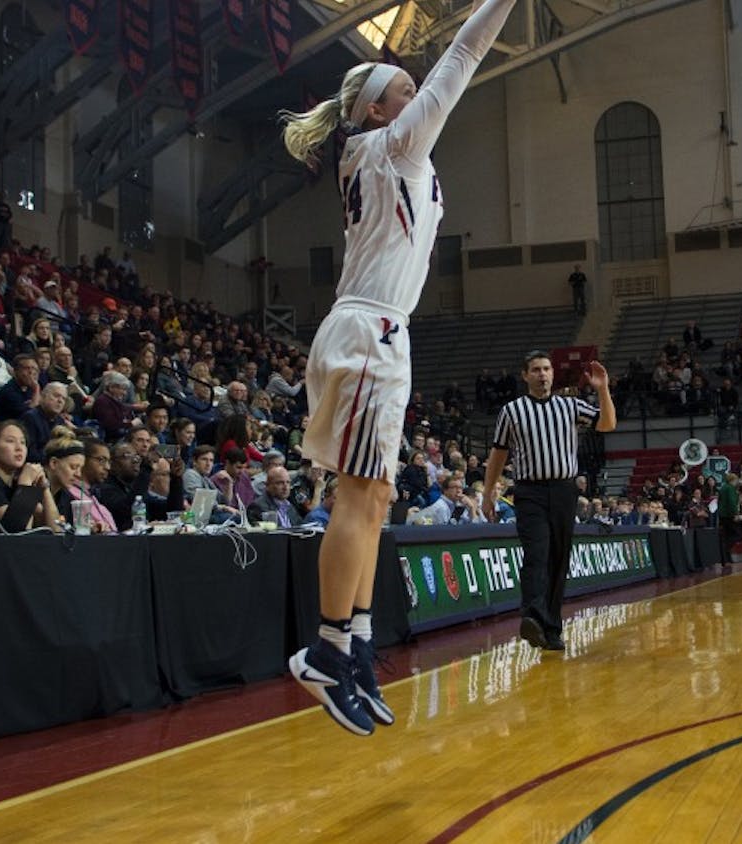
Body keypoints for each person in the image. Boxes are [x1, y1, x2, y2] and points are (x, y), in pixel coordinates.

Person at [278, 0, 517, 736]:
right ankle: (324, 649)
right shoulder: (391, 147)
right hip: (366, 328)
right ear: (379, 109)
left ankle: (353, 642)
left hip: (381, 330)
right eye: (406, 91)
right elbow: (465, 56)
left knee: (376, 497)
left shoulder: (384, 154)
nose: (421, 97)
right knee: (358, 498)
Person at [483, 351, 615, 651]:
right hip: (529, 491)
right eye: (535, 370)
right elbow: (498, 453)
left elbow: (607, 424)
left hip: (564, 490)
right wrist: (490, 491)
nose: (542, 374)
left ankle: (552, 628)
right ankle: (532, 615)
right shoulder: (512, 411)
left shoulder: (570, 405)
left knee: (559, 558)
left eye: (546, 369)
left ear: (553, 374)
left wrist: (603, 388)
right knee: (536, 551)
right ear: (525, 375)